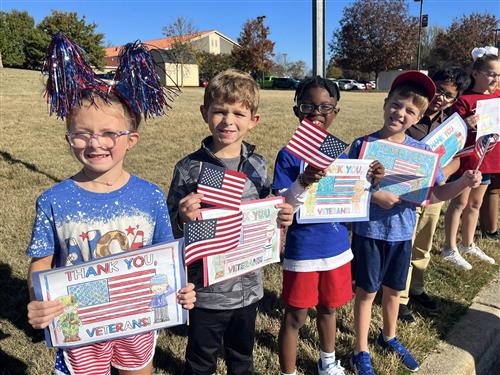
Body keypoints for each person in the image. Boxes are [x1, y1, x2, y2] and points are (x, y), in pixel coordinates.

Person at [26, 35, 196, 375]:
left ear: (131, 140)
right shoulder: (53, 201)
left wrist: (181, 289)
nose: (95, 143)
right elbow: (41, 264)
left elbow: (166, 256)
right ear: (68, 137)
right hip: (79, 329)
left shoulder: (149, 196)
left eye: (108, 134)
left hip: (138, 319)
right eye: (82, 133)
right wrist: (38, 298)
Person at [348, 71, 482, 375]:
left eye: (410, 110)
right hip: (369, 233)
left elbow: (433, 195)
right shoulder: (362, 146)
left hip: (402, 233)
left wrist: (463, 183)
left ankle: (389, 336)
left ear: (419, 115)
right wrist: (374, 196)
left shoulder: (422, 153)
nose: (401, 113)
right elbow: (347, 189)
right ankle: (360, 349)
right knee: (367, 293)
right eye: (396, 105)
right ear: (385, 104)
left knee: (395, 289)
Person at [166, 69, 293, 375]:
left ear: (253, 120)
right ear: (204, 113)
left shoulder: (258, 165)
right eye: (219, 111)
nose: (228, 121)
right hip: (206, 290)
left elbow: (266, 215)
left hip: (248, 286)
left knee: (241, 357)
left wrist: (282, 218)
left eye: (238, 113)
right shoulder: (189, 169)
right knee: (200, 360)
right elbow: (169, 225)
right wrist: (183, 216)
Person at [272, 76, 383, 375]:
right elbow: (284, 209)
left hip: (336, 248)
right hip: (304, 250)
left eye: (325, 107)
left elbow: (352, 199)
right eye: (308, 106)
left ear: (336, 112)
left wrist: (370, 179)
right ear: (297, 110)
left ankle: (328, 362)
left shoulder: (341, 155)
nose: (316, 113)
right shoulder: (288, 155)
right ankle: (288, 372)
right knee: (295, 316)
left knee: (329, 308)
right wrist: (302, 180)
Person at [398, 67, 471, 323]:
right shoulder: (410, 113)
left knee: (424, 243)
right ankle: (401, 297)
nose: (441, 98)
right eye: (438, 90)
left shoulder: (452, 125)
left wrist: (441, 172)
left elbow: (455, 161)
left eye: (449, 96)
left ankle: (416, 288)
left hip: (434, 192)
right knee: (405, 245)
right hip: (407, 192)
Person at [442, 47, 499, 269]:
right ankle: (449, 247)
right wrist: (466, 124)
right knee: (460, 203)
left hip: (490, 158)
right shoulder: (464, 100)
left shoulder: (498, 97)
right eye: (491, 73)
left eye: (499, 75)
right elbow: (452, 133)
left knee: (475, 204)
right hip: (468, 160)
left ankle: (468, 243)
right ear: (476, 73)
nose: (496, 79)